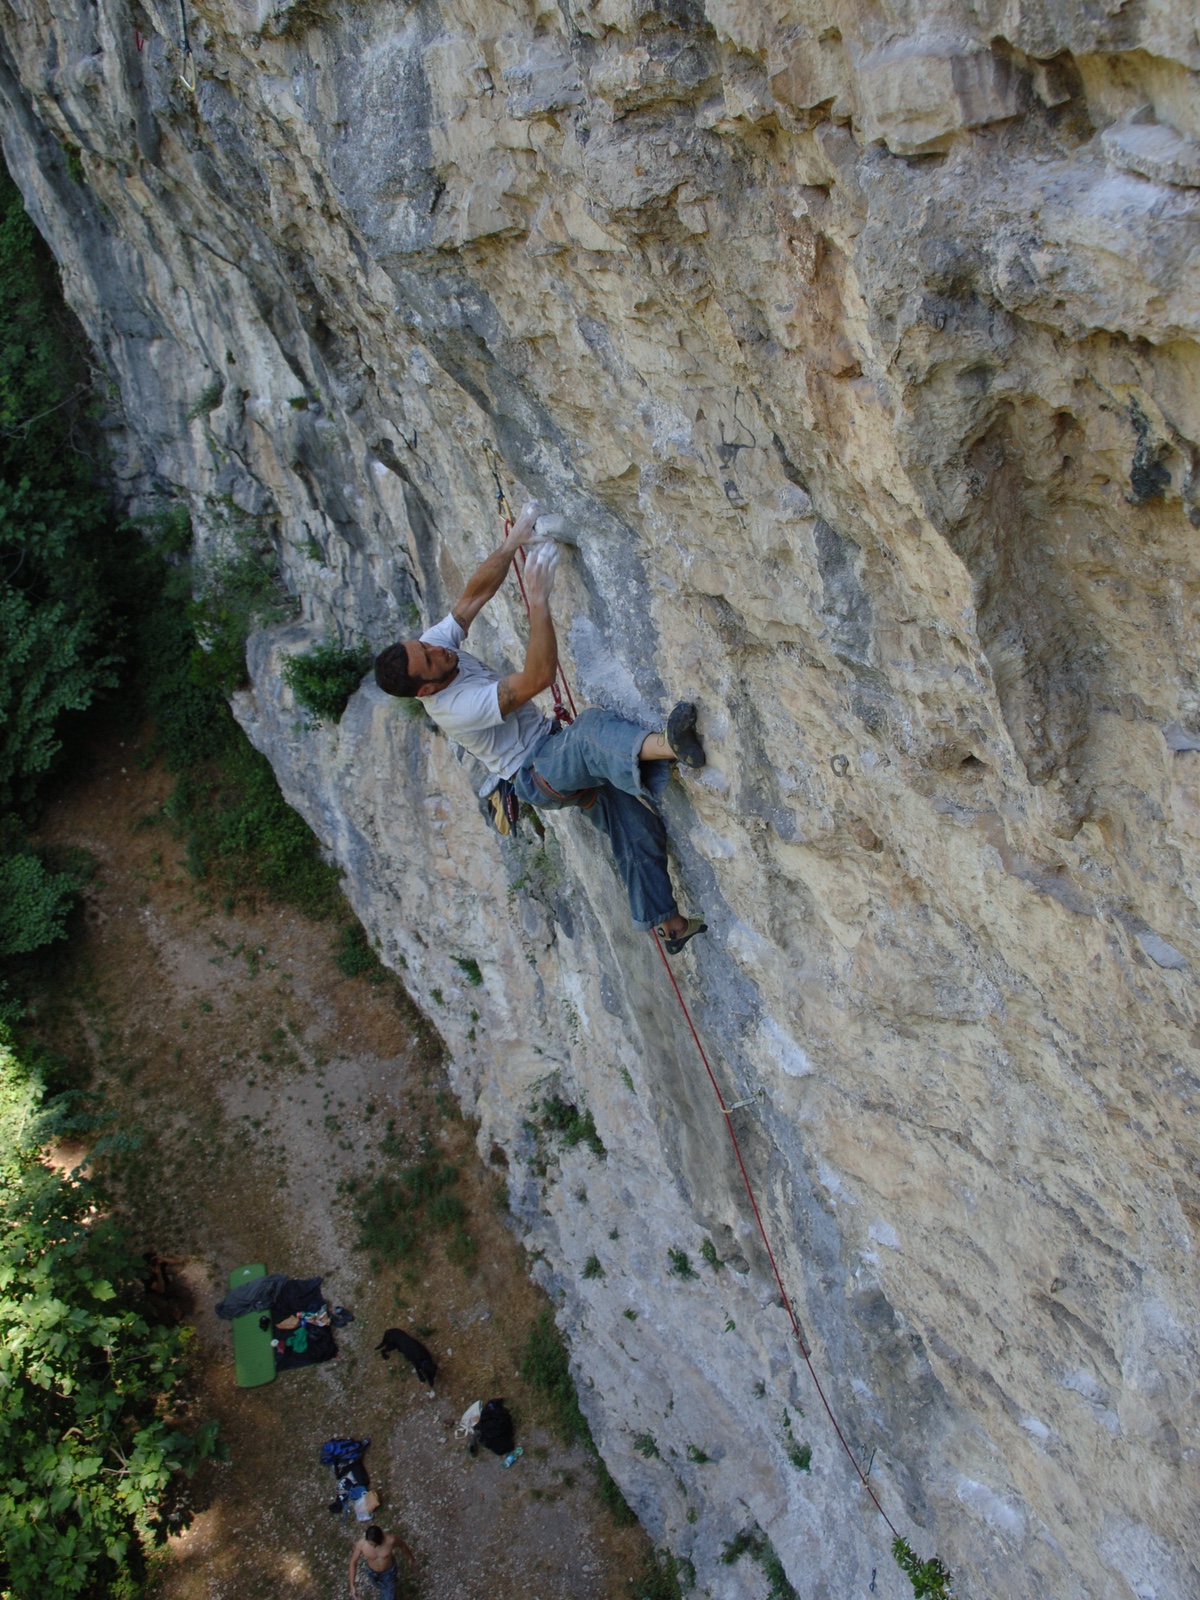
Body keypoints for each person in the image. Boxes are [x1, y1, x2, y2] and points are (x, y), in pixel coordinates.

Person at [373, 500, 707, 952]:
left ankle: (668, 924)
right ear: (425, 691)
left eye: (427, 647)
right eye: (429, 659)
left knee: (635, 829)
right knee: (589, 734)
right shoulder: (454, 707)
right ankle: (671, 744)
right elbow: (537, 679)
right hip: (537, 773)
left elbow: (471, 598)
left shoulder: (430, 650)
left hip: (550, 751)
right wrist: (539, 601)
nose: (439, 651)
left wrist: (511, 543)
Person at [350, 1524, 414, 1599]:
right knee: (380, 1587)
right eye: (370, 1544)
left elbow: (402, 1545)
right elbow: (353, 1562)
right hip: (372, 1573)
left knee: (389, 1595)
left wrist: (410, 1557)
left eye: (375, 1545)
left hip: (389, 1573)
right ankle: (384, 1590)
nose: (373, 1546)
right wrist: (352, 1585)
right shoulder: (361, 1544)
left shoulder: (391, 1540)